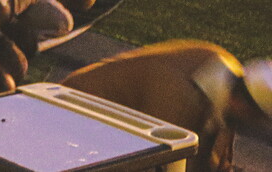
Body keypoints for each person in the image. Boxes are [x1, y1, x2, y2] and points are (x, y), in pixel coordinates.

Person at [63, 40, 272, 172]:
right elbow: (167, 163)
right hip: (69, 119)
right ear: (245, 104)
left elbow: (212, 159)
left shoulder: (225, 80)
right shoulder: (179, 99)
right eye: (257, 118)